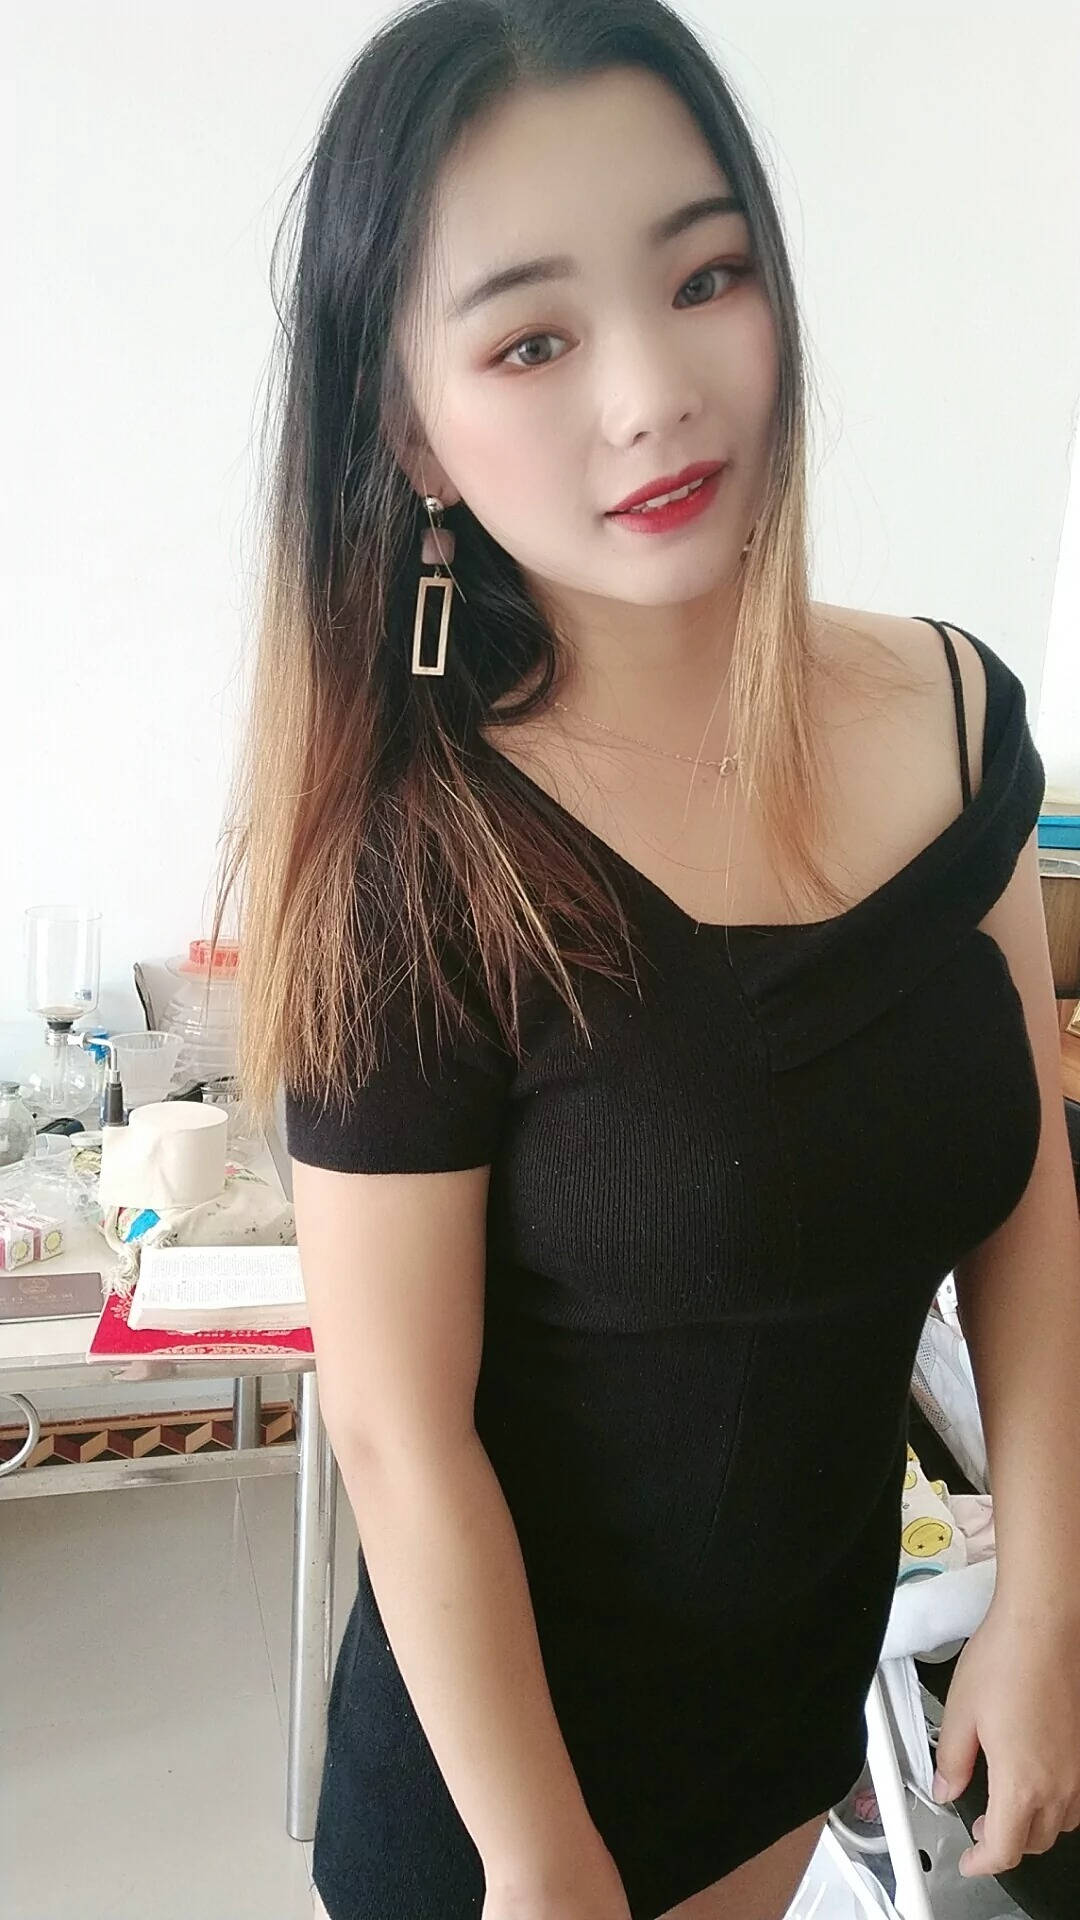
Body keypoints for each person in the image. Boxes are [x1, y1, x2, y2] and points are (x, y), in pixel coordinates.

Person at [213, 4, 1080, 1916]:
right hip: (503, 1807)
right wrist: (542, 1869)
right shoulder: (411, 863)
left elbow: (1027, 1195)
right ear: (408, 430)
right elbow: (397, 1430)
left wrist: (1047, 1599)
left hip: (789, 1730)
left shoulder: (956, 720)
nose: (652, 393)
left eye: (706, 276)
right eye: (533, 339)